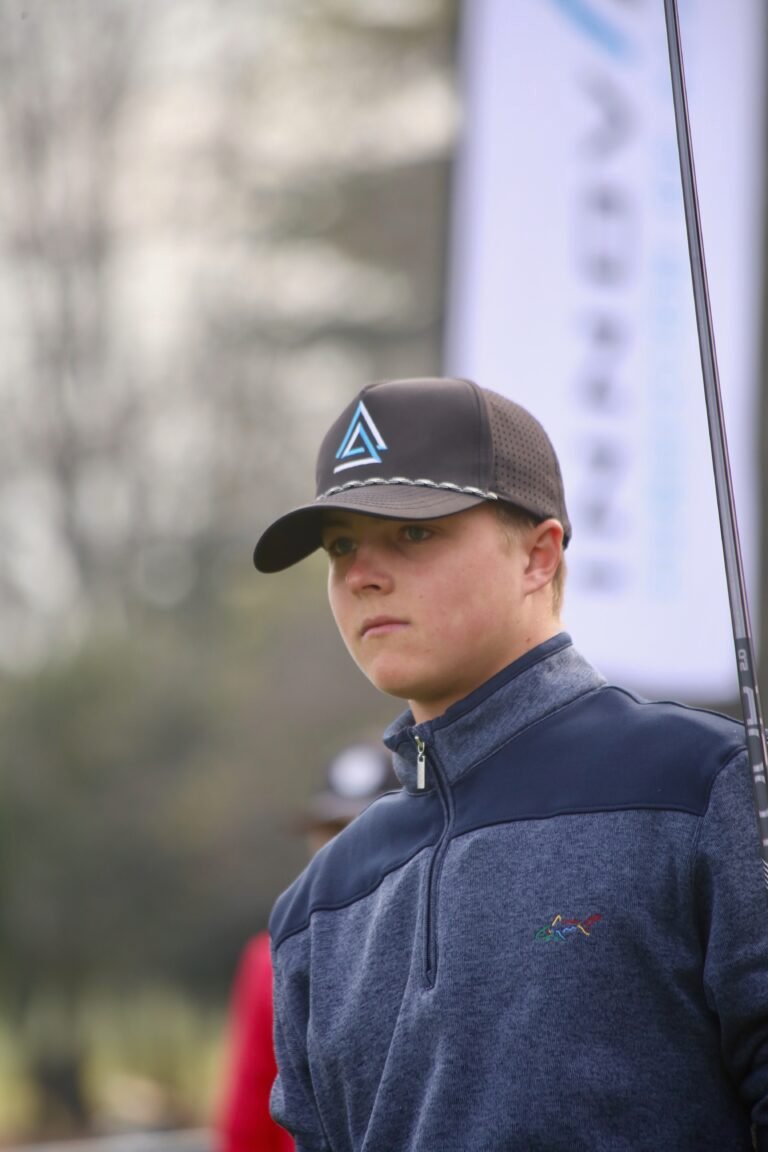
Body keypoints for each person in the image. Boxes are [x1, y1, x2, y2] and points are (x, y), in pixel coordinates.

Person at [252, 376, 768, 1151]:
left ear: (538, 555)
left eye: (413, 533)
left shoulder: (702, 784)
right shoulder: (320, 901)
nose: (361, 575)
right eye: (341, 546)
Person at [216, 744, 398, 1152]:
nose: (341, 845)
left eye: (360, 825)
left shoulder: (436, 941)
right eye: (330, 830)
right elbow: (250, 1110)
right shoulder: (270, 958)